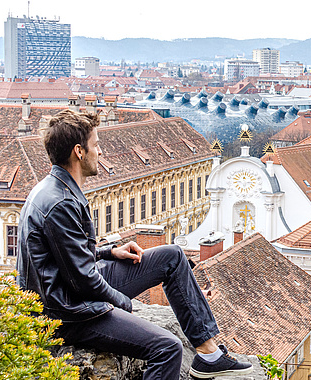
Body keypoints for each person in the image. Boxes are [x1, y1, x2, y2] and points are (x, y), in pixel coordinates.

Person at [16, 109, 252, 380]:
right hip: (67, 313)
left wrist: (108, 251)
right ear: (79, 152)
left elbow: (65, 255)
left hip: (68, 293)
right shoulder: (60, 202)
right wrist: (124, 304)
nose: (100, 152)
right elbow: (83, 280)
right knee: (168, 348)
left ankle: (209, 355)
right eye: (96, 145)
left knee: (172, 256)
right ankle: (204, 356)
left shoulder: (54, 188)